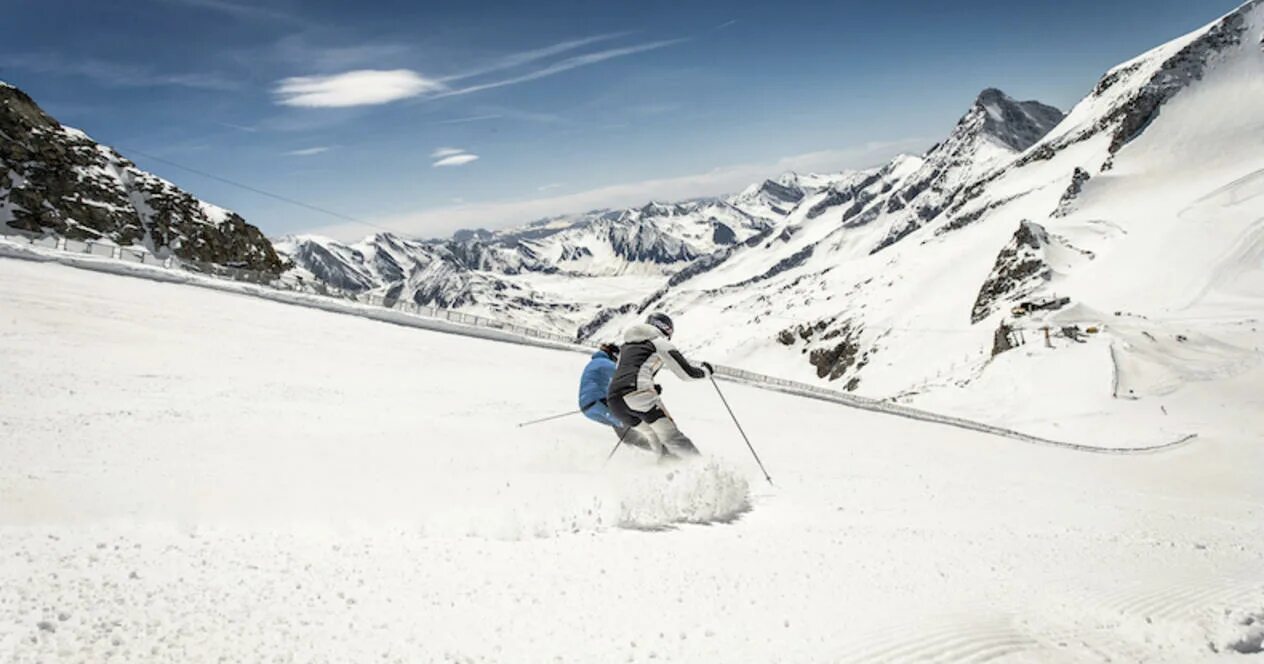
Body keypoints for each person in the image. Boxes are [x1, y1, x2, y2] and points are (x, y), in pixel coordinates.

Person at [607, 312, 713, 458]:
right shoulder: (659, 343)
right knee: (672, 437)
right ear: (667, 330)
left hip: (615, 401)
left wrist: (650, 386)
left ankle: (664, 471)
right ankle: (703, 469)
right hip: (638, 396)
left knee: (654, 436)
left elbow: (628, 372)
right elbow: (687, 374)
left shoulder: (625, 347)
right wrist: (706, 372)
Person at [578, 344, 651, 450]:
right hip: (598, 403)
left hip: (588, 407)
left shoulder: (595, 363)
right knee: (633, 423)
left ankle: (653, 450)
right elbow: (624, 376)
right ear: (613, 355)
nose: (617, 361)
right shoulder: (604, 363)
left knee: (624, 429)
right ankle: (665, 452)